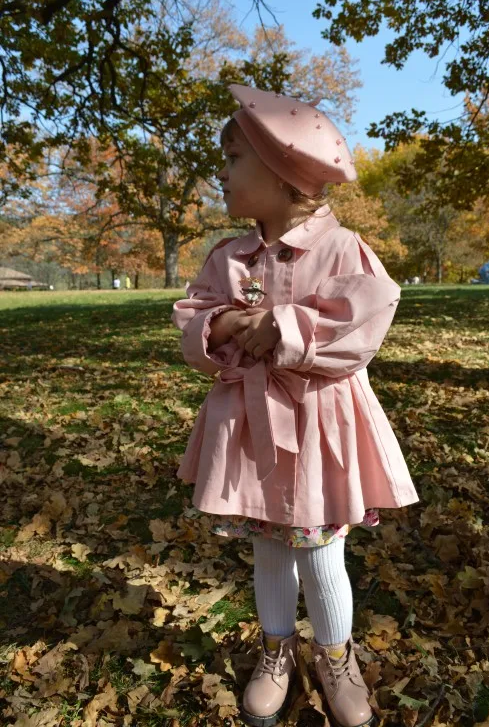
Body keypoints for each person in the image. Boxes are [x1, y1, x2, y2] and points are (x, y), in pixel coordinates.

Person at [171, 84, 419, 727]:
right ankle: (277, 650)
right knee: (269, 546)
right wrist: (222, 324)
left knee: (319, 548)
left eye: (234, 159)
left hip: (318, 426)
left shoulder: (342, 249)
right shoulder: (228, 257)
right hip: (249, 425)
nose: (222, 174)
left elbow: (361, 324)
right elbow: (193, 317)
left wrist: (285, 327)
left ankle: (336, 657)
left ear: (283, 172)